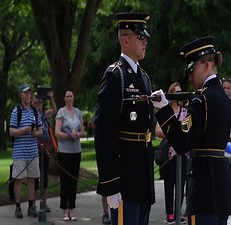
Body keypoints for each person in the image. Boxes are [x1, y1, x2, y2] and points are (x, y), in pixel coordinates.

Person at [152, 36, 231, 225]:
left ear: (206, 66)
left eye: (192, 69)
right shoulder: (224, 97)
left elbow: (182, 143)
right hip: (221, 184)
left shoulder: (201, 99)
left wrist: (164, 109)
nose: (189, 76)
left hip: (204, 186)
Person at [94, 12, 155, 225]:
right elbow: (103, 133)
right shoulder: (115, 76)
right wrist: (110, 184)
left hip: (143, 176)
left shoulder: (145, 78)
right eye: (140, 37)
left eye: (145, 36)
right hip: (125, 178)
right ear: (125, 40)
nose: (145, 41)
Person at [155, 82, 188, 224]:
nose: (177, 94)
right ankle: (169, 213)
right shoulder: (166, 110)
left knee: (181, 186)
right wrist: (172, 133)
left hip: (183, 155)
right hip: (169, 156)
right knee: (169, 185)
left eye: (180, 92)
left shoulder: (186, 111)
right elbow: (157, 130)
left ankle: (177, 211)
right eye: (175, 92)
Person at [9, 83, 43, 219]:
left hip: (33, 152)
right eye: (26, 93)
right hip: (19, 152)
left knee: (32, 180)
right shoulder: (16, 111)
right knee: (18, 180)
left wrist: (36, 133)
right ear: (21, 95)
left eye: (29, 92)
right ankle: (17, 207)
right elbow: (11, 131)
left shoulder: (35, 111)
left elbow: (41, 131)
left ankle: (31, 206)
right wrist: (23, 130)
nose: (28, 95)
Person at [55, 88, 84, 221]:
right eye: (67, 96)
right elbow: (57, 132)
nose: (69, 98)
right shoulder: (61, 112)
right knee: (65, 181)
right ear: (64, 98)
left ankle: (71, 209)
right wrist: (68, 135)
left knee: (73, 181)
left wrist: (77, 134)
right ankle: (64, 211)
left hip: (76, 151)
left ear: (73, 97)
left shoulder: (78, 112)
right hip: (64, 152)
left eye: (71, 95)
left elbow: (82, 130)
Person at [32, 90, 57, 212]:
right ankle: (34, 205)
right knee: (36, 177)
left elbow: (55, 111)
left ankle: (44, 203)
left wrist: (51, 98)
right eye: (36, 102)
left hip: (46, 149)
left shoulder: (44, 114)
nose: (38, 104)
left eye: (40, 102)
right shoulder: (31, 114)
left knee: (44, 177)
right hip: (35, 149)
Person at [90, 117, 111, 225]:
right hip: (104, 151)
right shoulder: (102, 109)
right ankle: (106, 212)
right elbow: (93, 124)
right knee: (104, 183)